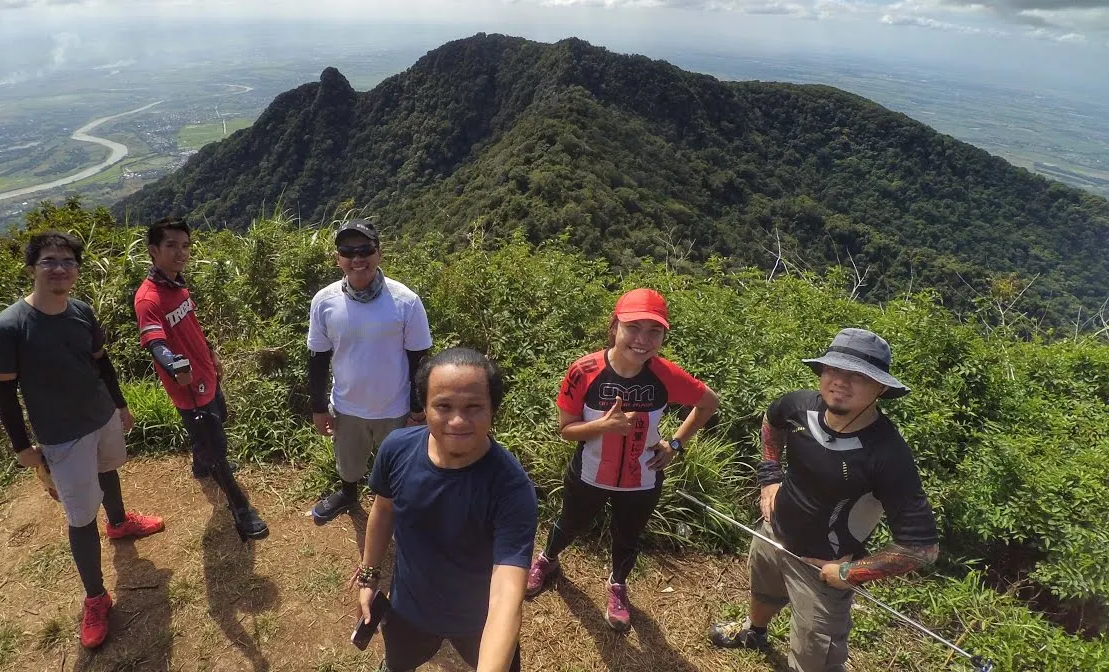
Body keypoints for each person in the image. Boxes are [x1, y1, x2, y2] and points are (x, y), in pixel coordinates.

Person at [710, 328, 940, 672]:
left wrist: (849, 572)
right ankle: (754, 631)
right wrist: (769, 477)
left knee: (816, 658)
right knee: (764, 589)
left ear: (880, 388)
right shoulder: (799, 407)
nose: (840, 383)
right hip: (774, 531)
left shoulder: (887, 454)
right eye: (834, 370)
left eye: (857, 376)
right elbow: (771, 421)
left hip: (824, 567)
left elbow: (921, 548)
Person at [0, 231, 164, 650]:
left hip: (101, 415)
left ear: (77, 270)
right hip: (60, 435)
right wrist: (21, 447)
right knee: (80, 516)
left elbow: (103, 364)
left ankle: (119, 523)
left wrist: (120, 405)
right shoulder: (9, 328)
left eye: (67, 262)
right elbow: (5, 394)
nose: (59, 269)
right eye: (49, 261)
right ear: (32, 268)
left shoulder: (81, 311)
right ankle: (96, 598)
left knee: (109, 470)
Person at [524, 288, 720, 631]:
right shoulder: (583, 371)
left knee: (628, 536)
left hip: (643, 477)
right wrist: (604, 425)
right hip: (588, 473)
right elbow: (567, 430)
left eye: (654, 331)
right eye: (633, 328)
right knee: (570, 523)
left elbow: (709, 402)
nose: (642, 340)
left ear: (662, 336)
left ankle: (617, 586)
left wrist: (675, 444)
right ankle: (547, 560)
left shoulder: (665, 375)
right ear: (614, 327)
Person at [356, 347, 538, 672]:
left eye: (473, 407)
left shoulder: (511, 487)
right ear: (423, 408)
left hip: (478, 620)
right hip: (407, 610)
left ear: (493, 410)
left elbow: (506, 591)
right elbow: (384, 510)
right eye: (443, 406)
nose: (457, 421)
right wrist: (369, 575)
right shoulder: (396, 450)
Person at [133, 216, 269, 542]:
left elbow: (190, 327)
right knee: (216, 445)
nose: (180, 252)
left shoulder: (176, 284)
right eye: (171, 246)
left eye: (185, 245)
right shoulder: (149, 297)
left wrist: (211, 355)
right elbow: (154, 342)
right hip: (188, 386)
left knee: (217, 419)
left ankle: (200, 464)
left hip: (206, 373)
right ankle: (241, 509)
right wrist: (173, 364)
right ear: (153, 250)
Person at [306, 219, 432, 524]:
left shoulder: (405, 301)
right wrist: (319, 408)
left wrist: (417, 407)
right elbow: (318, 358)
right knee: (349, 464)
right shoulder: (324, 302)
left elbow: (420, 359)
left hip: (396, 406)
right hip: (348, 407)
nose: (357, 258)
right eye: (348, 251)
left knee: (399, 465)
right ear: (337, 258)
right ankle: (348, 494)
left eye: (365, 249)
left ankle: (395, 506)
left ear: (379, 253)